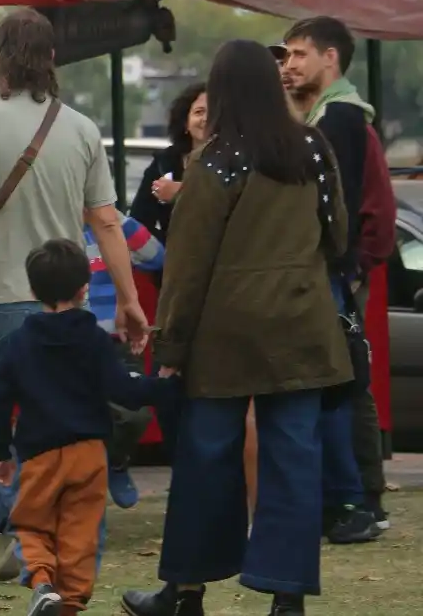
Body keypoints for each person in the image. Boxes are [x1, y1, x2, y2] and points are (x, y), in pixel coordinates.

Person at [122, 39, 353, 616]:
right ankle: (288, 596)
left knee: (206, 460)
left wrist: (170, 346)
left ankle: (185, 592)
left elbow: (188, 264)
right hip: (302, 325)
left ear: (221, 90)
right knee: (295, 459)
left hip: (226, 333)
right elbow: (338, 236)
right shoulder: (312, 147)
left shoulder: (218, 158)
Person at [0, 8, 148, 577]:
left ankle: (19, 514)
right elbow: (105, 221)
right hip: (68, 300)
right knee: (63, 412)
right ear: (53, 59)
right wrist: (128, 299)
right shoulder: (79, 128)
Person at [0, 239, 171, 616]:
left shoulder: (15, 344)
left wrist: (0, 452)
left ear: (32, 289)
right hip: (89, 452)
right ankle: (69, 604)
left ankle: (42, 582)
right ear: (84, 288)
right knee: (81, 534)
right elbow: (124, 391)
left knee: (32, 524)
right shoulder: (94, 340)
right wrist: (165, 384)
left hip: (38, 452)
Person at [279, 16, 388, 544]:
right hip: (330, 272)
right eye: (286, 55)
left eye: (300, 54)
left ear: (331, 59)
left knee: (335, 387)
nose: (289, 65)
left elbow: (330, 207)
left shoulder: (339, 118)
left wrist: (342, 268)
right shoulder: (328, 114)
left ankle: (352, 502)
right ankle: (350, 500)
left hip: (326, 274)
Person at [82, 212, 164, 510]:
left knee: (134, 415)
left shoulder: (113, 223)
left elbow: (156, 256)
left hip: (117, 340)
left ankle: (116, 462)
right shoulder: (52, 221)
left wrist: (115, 222)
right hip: (71, 342)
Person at [128, 82, 207, 245]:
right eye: (199, 112)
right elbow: (139, 220)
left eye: (214, 113)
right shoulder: (165, 162)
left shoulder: (235, 162)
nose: (206, 119)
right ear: (185, 122)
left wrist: (180, 193)